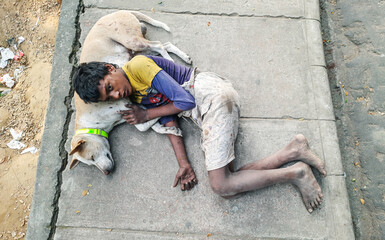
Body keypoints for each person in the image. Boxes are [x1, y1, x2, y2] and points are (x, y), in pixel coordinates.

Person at [72, 55, 327, 213]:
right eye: (109, 97)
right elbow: (169, 118)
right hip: (205, 108)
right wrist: (183, 163)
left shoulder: (138, 66)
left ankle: (297, 173)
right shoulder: (135, 94)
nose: (117, 95)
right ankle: (293, 151)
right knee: (230, 189)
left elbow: (184, 100)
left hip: (210, 96)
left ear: (110, 68)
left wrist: (146, 115)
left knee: (221, 185)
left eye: (110, 86)